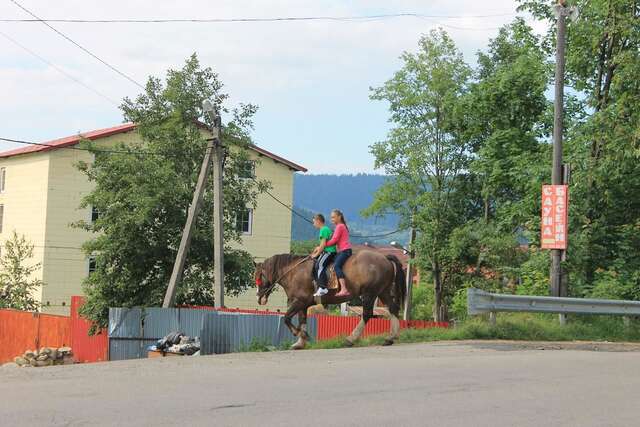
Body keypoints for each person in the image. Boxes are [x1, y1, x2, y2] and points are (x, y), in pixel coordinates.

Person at [323, 209, 352, 298]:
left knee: (336, 266)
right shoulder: (341, 226)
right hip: (343, 251)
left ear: (339, 217)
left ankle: (344, 288)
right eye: (331, 217)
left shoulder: (340, 226)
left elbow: (334, 240)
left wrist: (323, 245)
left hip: (344, 251)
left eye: (333, 217)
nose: (332, 219)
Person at [310, 213, 336, 297]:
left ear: (318, 221)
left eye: (314, 222)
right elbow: (322, 244)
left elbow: (323, 245)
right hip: (327, 251)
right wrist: (318, 248)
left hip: (329, 252)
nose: (313, 224)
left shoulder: (323, 230)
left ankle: (323, 287)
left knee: (319, 265)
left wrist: (316, 254)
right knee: (317, 265)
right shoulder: (326, 229)